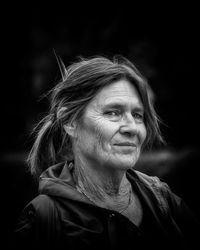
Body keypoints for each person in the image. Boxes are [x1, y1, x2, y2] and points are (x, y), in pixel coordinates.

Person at [13, 55, 199, 250]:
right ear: (70, 122)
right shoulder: (43, 219)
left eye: (137, 115)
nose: (132, 128)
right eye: (112, 112)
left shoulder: (163, 201)